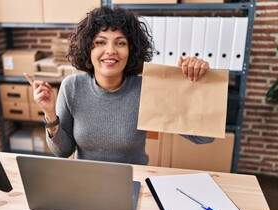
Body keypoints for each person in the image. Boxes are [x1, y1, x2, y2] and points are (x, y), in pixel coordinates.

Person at [24, 6, 214, 165]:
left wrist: (195, 84)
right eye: (100, 42)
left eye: (120, 43)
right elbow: (63, 152)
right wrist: (50, 115)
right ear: (88, 48)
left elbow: (204, 137)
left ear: (131, 51)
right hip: (86, 183)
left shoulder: (146, 89)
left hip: (134, 182)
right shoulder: (71, 87)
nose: (110, 51)